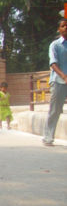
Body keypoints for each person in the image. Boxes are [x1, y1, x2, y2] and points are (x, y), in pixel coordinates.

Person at [43, 18, 67, 146]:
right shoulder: (55, 45)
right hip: (58, 81)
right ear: (59, 29)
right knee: (55, 110)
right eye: (63, 26)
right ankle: (48, 137)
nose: (66, 28)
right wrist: (64, 76)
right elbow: (53, 63)